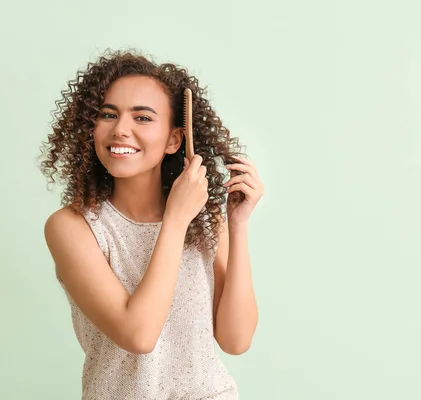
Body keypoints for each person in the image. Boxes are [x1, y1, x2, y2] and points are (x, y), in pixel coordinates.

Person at [39, 50, 263, 399]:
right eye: (108, 114)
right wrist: (175, 219)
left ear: (175, 139)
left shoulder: (204, 221)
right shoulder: (72, 227)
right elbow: (139, 335)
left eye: (142, 118)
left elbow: (236, 340)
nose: (121, 129)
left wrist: (237, 223)